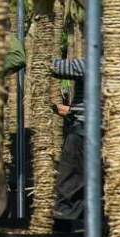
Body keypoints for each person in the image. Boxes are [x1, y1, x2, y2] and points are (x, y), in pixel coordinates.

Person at [48, 56, 86, 224]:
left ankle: (65, 229)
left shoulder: (98, 61)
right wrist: (71, 110)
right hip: (99, 130)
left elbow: (57, 67)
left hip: (84, 134)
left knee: (69, 187)